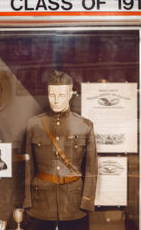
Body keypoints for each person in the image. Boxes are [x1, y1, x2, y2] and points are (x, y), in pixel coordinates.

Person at [23, 71, 97, 221]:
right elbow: (27, 168)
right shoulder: (34, 125)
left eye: (61, 95)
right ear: (47, 94)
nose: (56, 100)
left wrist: (87, 201)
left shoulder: (84, 126)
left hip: (73, 205)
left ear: (70, 94)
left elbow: (91, 168)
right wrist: (27, 200)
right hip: (41, 204)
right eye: (52, 95)